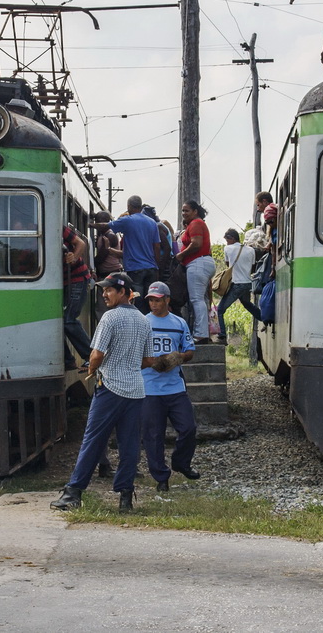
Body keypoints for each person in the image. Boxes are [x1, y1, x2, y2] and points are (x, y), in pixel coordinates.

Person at [51, 272, 156, 515]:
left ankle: (73, 494)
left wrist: (94, 367)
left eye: (109, 290)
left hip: (110, 388)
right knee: (129, 445)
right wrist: (127, 363)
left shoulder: (109, 318)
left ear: (122, 292)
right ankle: (125, 498)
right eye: (103, 290)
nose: (104, 294)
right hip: (136, 390)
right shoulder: (144, 321)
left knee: (93, 440)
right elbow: (149, 360)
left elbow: (96, 355)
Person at [141, 281, 199, 492]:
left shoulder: (179, 323)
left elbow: (190, 351)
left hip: (175, 387)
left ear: (167, 300)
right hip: (149, 388)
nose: (153, 304)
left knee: (188, 428)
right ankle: (161, 477)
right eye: (150, 300)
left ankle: (181, 462)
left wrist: (179, 357)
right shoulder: (142, 323)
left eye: (157, 300)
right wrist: (151, 362)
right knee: (153, 435)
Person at [100, 195, 161, 306]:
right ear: (141, 206)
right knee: (151, 300)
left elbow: (105, 226)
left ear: (128, 206)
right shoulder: (152, 223)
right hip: (151, 268)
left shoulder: (127, 221)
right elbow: (157, 247)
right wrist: (157, 267)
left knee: (137, 300)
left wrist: (91, 224)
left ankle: (138, 322)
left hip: (135, 269)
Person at [177, 200, 216, 343]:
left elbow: (196, 243)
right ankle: (204, 332)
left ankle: (200, 334)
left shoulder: (196, 224)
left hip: (197, 263)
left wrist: (181, 255)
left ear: (195, 211)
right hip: (202, 263)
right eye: (182, 211)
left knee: (196, 299)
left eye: (187, 210)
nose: (184, 213)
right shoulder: (196, 224)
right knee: (202, 299)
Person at [216, 228, 261, 344]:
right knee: (247, 304)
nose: (226, 243)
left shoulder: (228, 249)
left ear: (232, 238)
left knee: (220, 310)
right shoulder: (251, 250)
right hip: (247, 283)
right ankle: (265, 318)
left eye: (227, 240)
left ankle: (222, 335)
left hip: (236, 284)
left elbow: (228, 265)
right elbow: (252, 267)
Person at [62, 224, 92, 369]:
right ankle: (68, 361)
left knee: (68, 319)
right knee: (55, 322)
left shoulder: (56, 226)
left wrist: (73, 257)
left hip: (77, 278)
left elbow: (80, 243)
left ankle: (91, 356)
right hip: (62, 282)